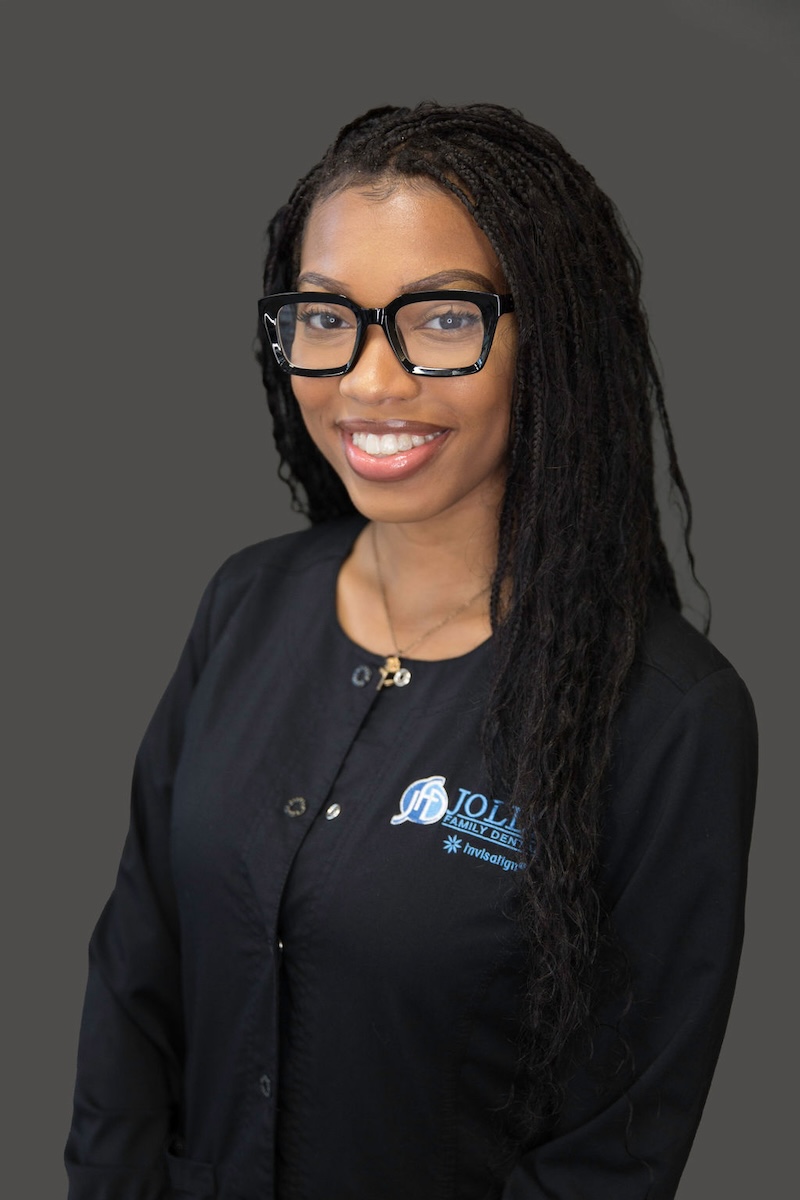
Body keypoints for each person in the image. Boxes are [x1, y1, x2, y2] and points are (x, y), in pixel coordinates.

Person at [65, 102, 758, 1200]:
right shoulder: (245, 603)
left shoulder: (666, 717)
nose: (370, 382)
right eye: (326, 317)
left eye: (440, 319)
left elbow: (610, 1153)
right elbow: (133, 980)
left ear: (549, 341)